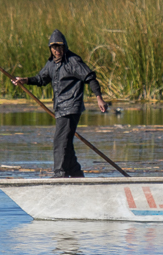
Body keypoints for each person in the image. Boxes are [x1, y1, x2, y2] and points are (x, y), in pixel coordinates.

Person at [12, 30, 107, 178]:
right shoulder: (51, 64)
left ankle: (60, 173)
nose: (57, 51)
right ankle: (75, 172)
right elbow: (41, 79)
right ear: (50, 49)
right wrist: (25, 80)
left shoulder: (73, 61)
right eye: (54, 48)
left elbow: (90, 78)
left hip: (72, 107)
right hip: (60, 108)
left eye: (60, 47)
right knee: (66, 141)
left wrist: (99, 97)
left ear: (65, 47)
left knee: (60, 140)